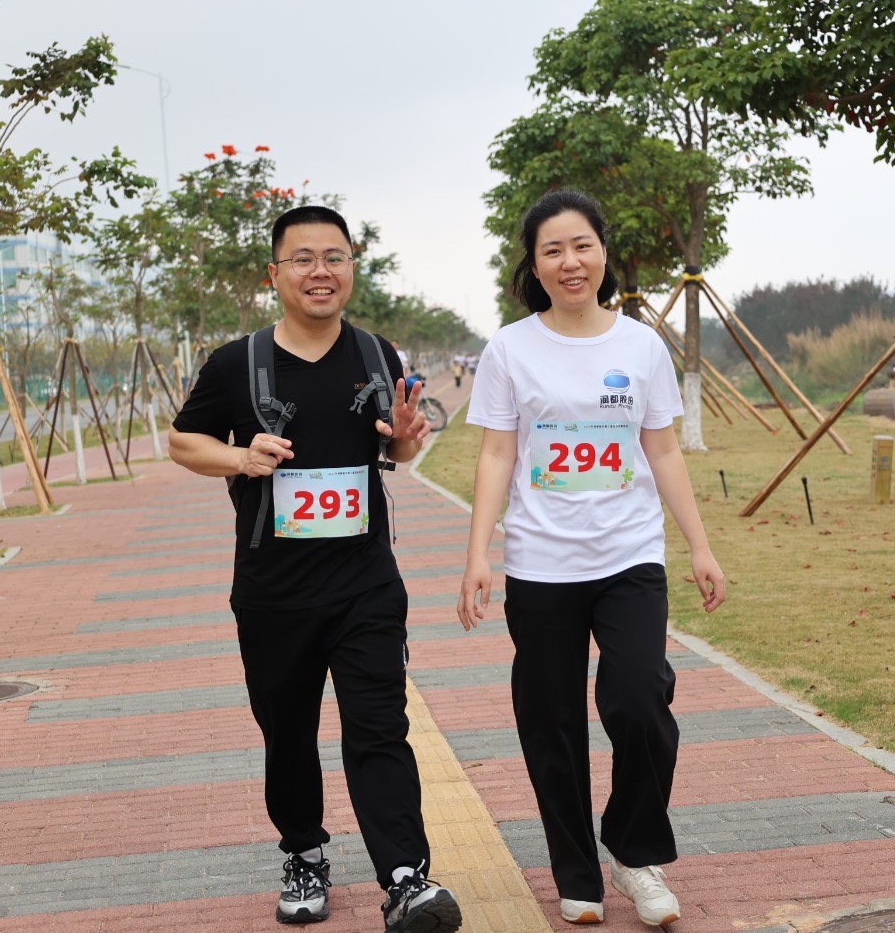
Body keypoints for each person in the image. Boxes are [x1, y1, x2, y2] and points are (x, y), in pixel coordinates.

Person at [169, 204, 462, 933]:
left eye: (334, 257)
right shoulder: (236, 363)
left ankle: (406, 877)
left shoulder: (377, 355)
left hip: (366, 583)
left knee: (379, 727)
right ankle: (303, 853)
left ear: (352, 267)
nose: (320, 271)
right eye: (303, 259)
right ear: (274, 274)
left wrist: (409, 439)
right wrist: (239, 456)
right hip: (273, 591)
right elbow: (183, 442)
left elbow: (394, 449)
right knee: (289, 732)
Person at [456, 189, 725, 927]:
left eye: (582, 245)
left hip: (629, 556)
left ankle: (634, 852)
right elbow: (497, 453)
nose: (570, 262)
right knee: (551, 722)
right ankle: (577, 873)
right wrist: (478, 553)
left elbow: (662, 449)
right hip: (541, 562)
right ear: (534, 264)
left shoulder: (641, 346)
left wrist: (699, 545)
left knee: (640, 701)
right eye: (553, 250)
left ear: (603, 252)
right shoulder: (510, 349)